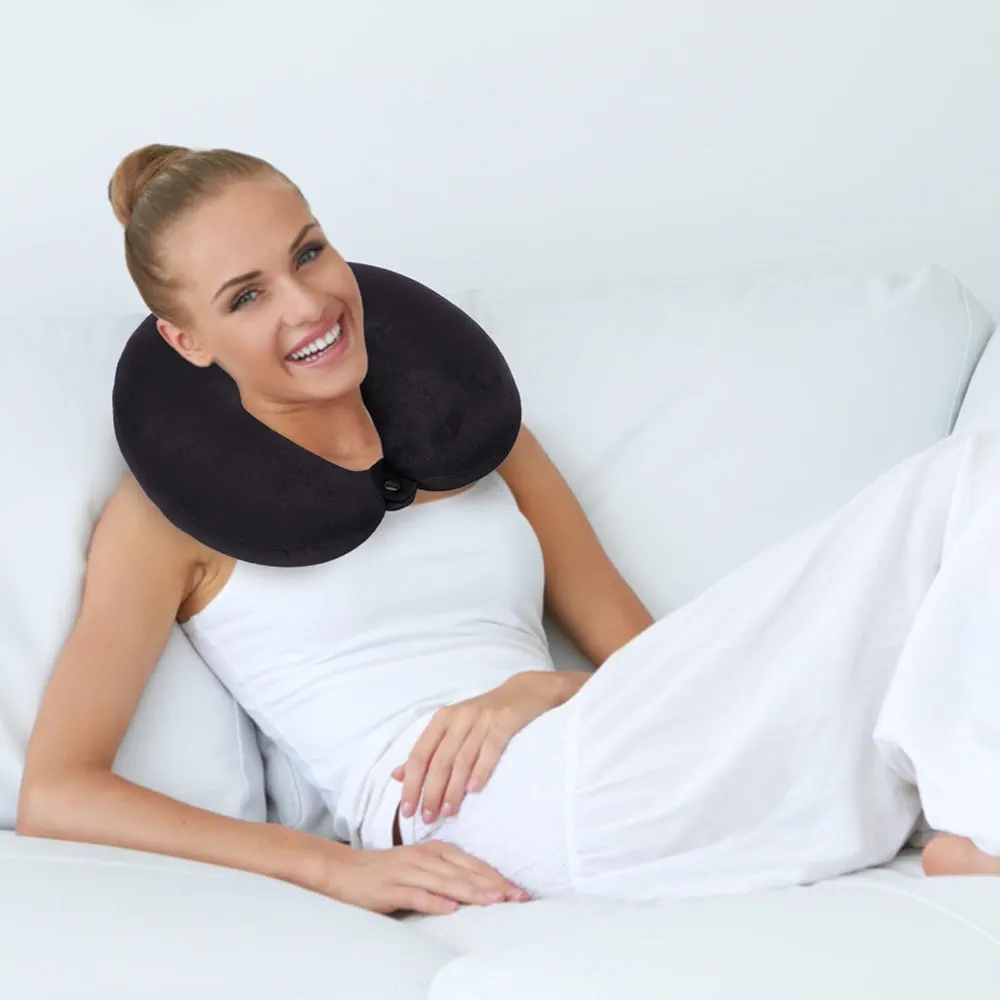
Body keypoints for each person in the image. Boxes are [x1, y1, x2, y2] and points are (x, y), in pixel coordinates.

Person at [17, 144, 1000, 915]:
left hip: (595, 747)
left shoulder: (476, 437)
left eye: (309, 252)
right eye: (247, 296)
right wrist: (330, 867)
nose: (310, 304)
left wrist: (541, 690)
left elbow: (655, 663)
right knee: (966, 475)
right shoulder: (162, 518)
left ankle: (967, 824)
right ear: (185, 340)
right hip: (474, 814)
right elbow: (57, 791)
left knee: (977, 476)